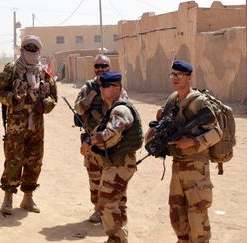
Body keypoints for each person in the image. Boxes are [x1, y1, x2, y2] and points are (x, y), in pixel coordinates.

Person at [155, 60, 222, 243]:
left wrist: (192, 141)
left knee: (197, 217)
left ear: (190, 77)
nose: (175, 78)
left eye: (179, 75)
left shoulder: (200, 102)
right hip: (178, 165)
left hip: (196, 164)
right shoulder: (172, 99)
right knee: (177, 216)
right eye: (172, 74)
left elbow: (217, 133)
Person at [0, 35, 57, 215]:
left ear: (39, 50)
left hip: (36, 126)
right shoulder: (12, 69)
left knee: (34, 161)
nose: (31, 51)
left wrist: (44, 105)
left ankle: (28, 198)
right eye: (27, 47)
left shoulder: (45, 72)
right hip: (16, 125)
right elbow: (0, 92)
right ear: (22, 49)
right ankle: (8, 198)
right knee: (13, 160)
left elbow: (53, 97)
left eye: (34, 48)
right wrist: (12, 99)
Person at [80, 71, 143, 243]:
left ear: (118, 88)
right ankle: (119, 238)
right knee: (118, 203)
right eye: (101, 85)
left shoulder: (121, 109)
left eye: (107, 86)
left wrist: (90, 141)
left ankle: (116, 239)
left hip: (120, 164)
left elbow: (110, 133)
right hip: (117, 163)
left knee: (106, 203)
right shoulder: (112, 108)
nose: (102, 89)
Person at [74, 54, 117, 223]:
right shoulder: (88, 88)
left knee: (113, 177)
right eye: (97, 66)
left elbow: (125, 108)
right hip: (91, 142)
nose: (100, 69)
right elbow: (78, 109)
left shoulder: (116, 86)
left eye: (104, 66)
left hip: (112, 141)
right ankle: (98, 210)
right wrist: (92, 95)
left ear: (109, 67)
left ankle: (113, 211)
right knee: (95, 179)